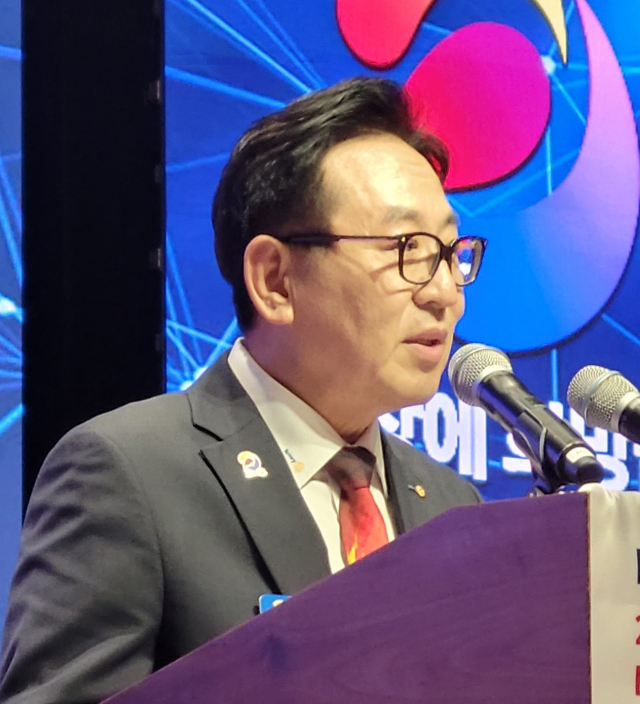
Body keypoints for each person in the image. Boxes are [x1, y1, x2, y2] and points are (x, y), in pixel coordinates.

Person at [0, 77, 485, 703]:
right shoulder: (128, 474)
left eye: (449, 252)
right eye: (406, 249)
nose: (444, 292)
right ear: (275, 280)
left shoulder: (452, 506)